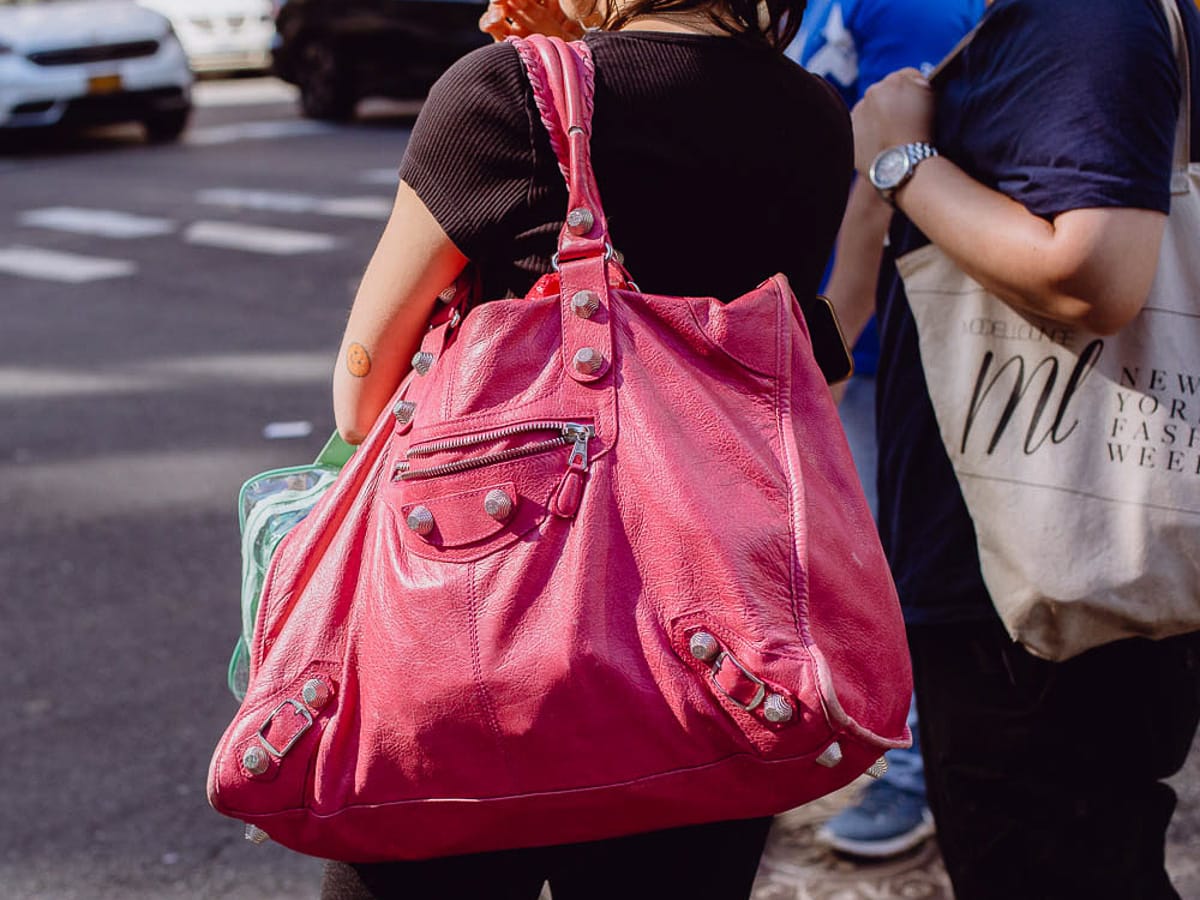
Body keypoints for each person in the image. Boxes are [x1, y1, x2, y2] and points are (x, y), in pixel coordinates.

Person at [322, 0, 855, 896]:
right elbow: (801, 367)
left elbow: (359, 396)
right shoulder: (813, 114)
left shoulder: (506, 93)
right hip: (715, 655)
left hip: (484, 644)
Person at [848, 0, 1200, 896]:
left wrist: (902, 162)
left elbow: (1094, 275)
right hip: (1019, 562)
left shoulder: (1084, 19)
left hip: (1038, 578)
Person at [787, 0, 984, 860]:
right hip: (845, 321)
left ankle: (915, 773)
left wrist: (841, 328)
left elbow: (890, 172)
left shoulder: (899, 1)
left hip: (873, 327)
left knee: (891, 560)